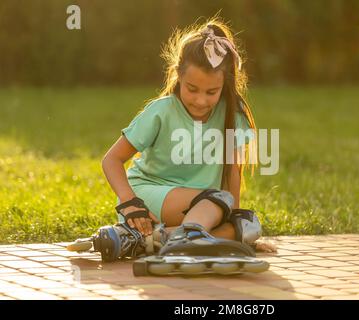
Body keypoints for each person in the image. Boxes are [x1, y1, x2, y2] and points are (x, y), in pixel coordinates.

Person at [101, 17, 259, 250]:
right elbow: (111, 159)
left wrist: (237, 224)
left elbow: (232, 172)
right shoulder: (161, 111)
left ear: (225, 85)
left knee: (249, 225)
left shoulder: (231, 116)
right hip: (149, 199)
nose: (200, 100)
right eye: (192, 89)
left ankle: (148, 239)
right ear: (178, 75)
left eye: (211, 92)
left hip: (204, 208)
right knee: (221, 201)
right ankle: (184, 239)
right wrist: (130, 203)